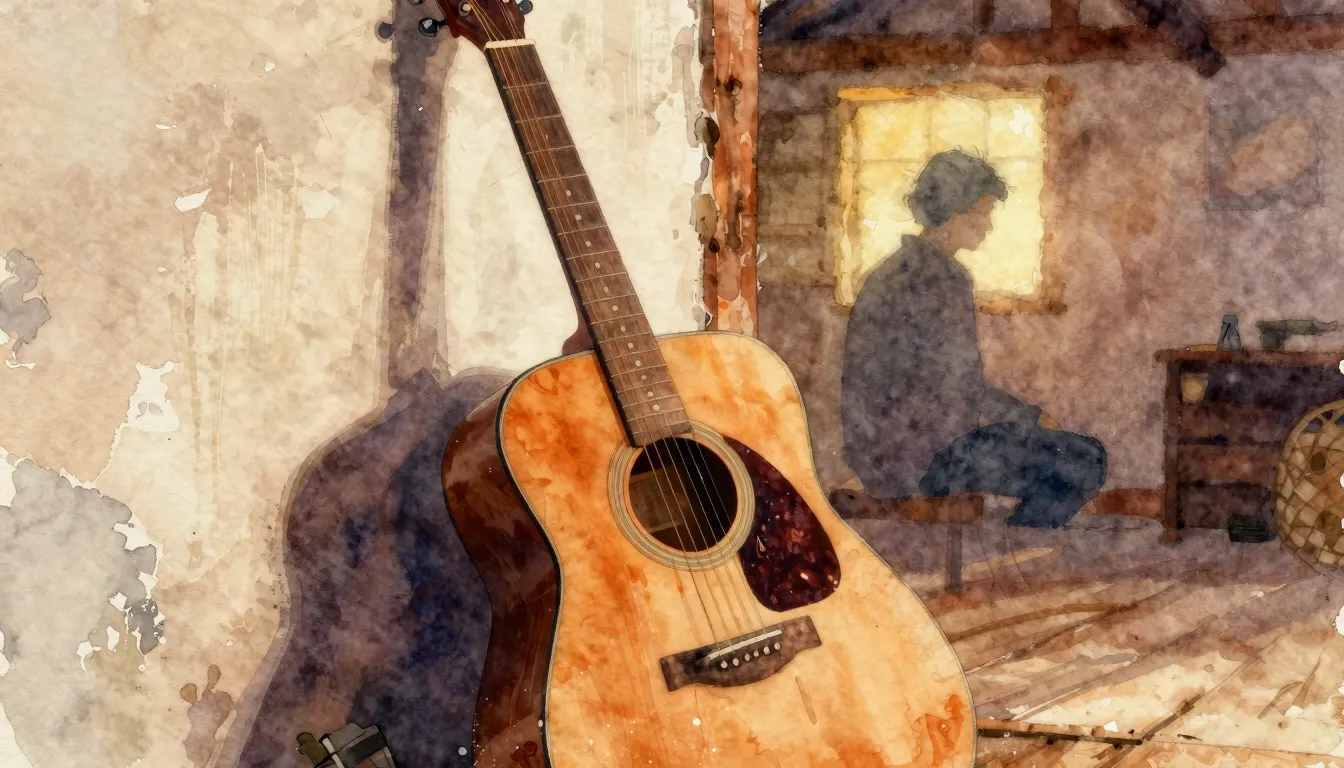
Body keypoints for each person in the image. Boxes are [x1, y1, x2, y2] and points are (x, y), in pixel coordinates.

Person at [840, 150, 1106, 528]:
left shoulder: (893, 271)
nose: (988, 226)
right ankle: (1019, 538)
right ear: (953, 210)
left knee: (1053, 450)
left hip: (880, 454)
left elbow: (944, 381)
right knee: (1087, 458)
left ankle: (1016, 536)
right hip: (926, 457)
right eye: (982, 213)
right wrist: (1031, 418)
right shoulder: (942, 278)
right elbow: (961, 384)